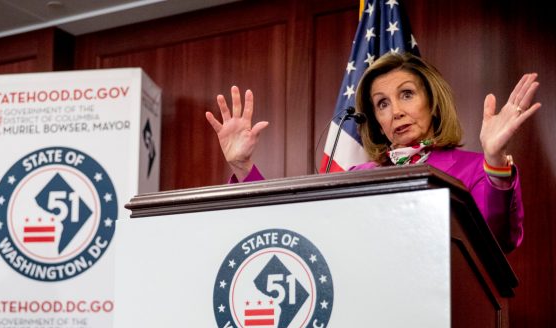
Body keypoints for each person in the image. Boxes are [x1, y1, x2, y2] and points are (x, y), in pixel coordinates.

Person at [205, 53, 541, 252]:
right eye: (382, 103)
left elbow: (496, 243)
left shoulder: (475, 169)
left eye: (406, 94)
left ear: (432, 103)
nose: (395, 111)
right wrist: (242, 165)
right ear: (377, 121)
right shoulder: (359, 176)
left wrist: (494, 159)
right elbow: (296, 230)